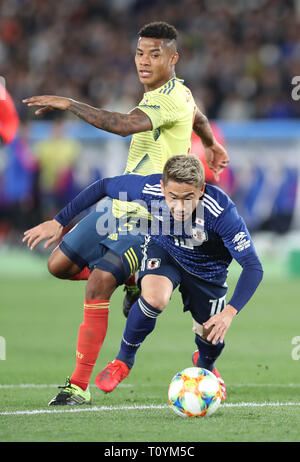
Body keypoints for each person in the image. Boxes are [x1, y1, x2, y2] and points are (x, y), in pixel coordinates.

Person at [22, 22, 229, 405]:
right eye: (139, 53)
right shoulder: (178, 94)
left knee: (98, 282)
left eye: (154, 54)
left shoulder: (165, 100)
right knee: (57, 266)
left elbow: (123, 125)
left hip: (151, 217)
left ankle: (78, 386)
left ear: (173, 58)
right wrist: (211, 143)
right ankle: (132, 273)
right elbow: (198, 115)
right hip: (116, 208)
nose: (144, 61)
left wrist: (71, 104)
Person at [24, 155, 263, 404]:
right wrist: (58, 221)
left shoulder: (222, 211)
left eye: (188, 198)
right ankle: (123, 361)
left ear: (201, 190)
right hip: (166, 252)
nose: (180, 207)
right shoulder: (148, 188)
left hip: (207, 272)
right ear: (162, 187)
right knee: (155, 298)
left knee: (211, 335)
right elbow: (104, 185)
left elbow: (253, 266)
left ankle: (205, 369)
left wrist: (229, 313)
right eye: (173, 197)